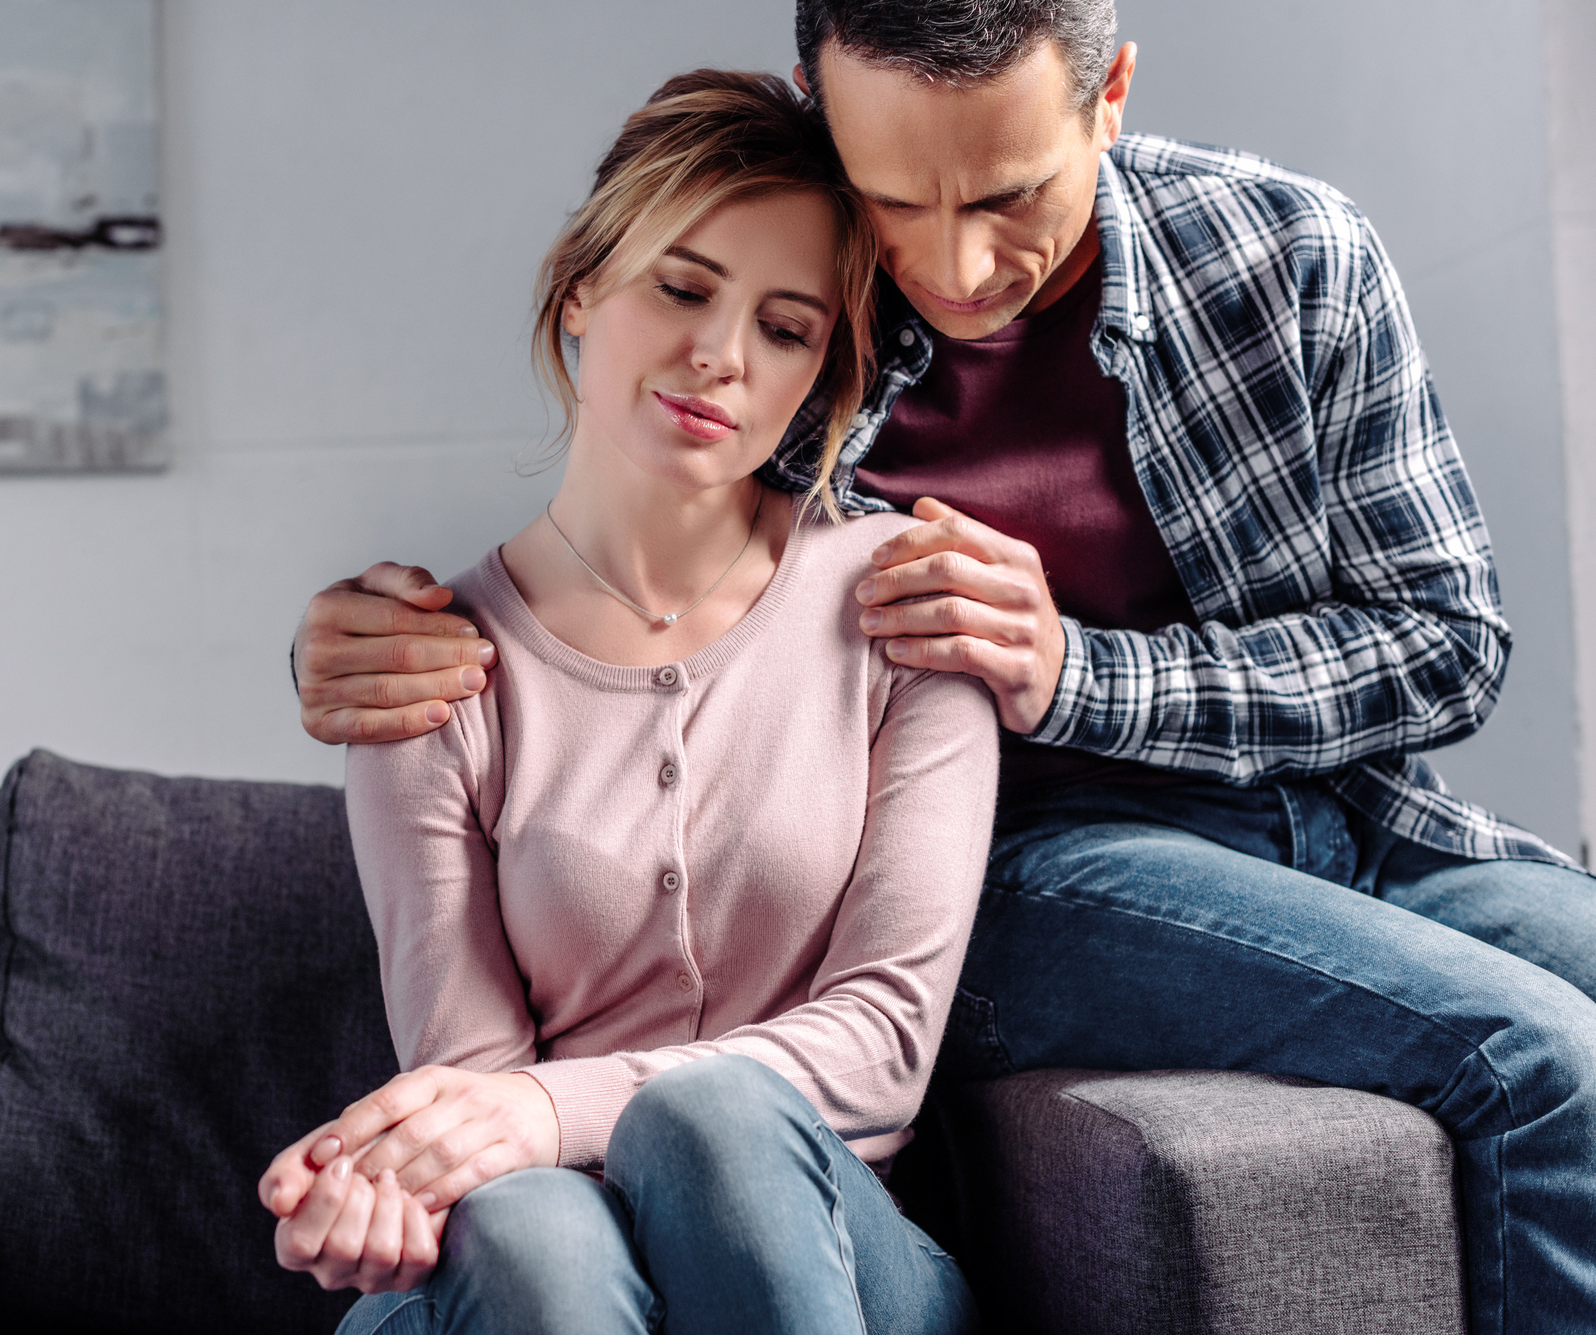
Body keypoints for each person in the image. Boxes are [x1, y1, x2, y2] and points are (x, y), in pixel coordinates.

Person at [289, 4, 1596, 1332]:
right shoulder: (818, 304)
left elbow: (1448, 641)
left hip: (1360, 816)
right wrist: (347, 637)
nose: (960, 265)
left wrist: (1082, 672)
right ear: (819, 104)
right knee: (1539, 1059)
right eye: (897, 197)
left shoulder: (1291, 253)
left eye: (1010, 192)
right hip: (1052, 855)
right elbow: (647, 546)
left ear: (1113, 93)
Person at [261, 71, 999, 1334]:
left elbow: (880, 1048)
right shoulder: (425, 667)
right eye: (681, 286)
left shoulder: (903, 605)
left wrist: (548, 1110)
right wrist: (407, 1180)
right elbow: (470, 1084)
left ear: (818, 376)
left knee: (708, 1122)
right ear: (578, 292)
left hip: (835, 1253)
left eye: (785, 327)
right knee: (529, 1227)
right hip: (537, 1252)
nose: (719, 354)